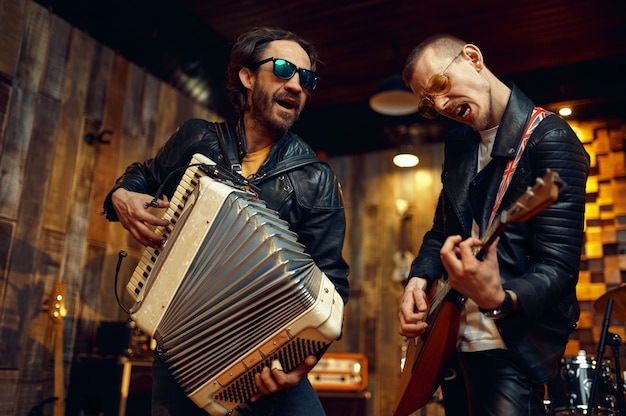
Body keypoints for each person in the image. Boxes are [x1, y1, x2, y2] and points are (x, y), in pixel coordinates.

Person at [102, 27, 350, 416]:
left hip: (267, 354)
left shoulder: (316, 178)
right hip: (183, 344)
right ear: (247, 77)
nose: (297, 85)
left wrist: (302, 364)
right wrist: (121, 195)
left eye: (307, 78)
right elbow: (143, 175)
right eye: (284, 69)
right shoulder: (197, 138)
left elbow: (332, 280)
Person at [398, 34, 589, 415]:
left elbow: (559, 268)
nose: (439, 104)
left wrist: (500, 298)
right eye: (428, 101)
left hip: (511, 350)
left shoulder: (549, 138)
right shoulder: (460, 143)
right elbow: (442, 231)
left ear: (472, 57)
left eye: (439, 84)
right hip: (451, 339)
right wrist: (418, 280)